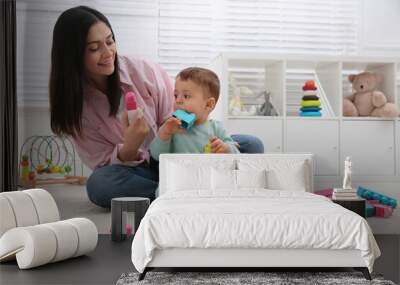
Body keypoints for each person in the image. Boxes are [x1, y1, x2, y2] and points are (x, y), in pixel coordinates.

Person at [49, 6, 264, 208]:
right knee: (99, 185)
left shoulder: (142, 71)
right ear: (73, 56)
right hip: (147, 171)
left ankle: (182, 189)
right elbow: (105, 166)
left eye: (110, 41)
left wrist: (219, 146)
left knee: (252, 144)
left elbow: (185, 115)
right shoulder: (77, 109)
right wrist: (130, 146)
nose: (108, 53)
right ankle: (186, 189)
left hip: (188, 150)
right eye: (94, 48)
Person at [150, 67, 239, 160]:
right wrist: (164, 133)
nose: (178, 101)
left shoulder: (216, 128)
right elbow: (156, 156)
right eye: (176, 95)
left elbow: (237, 155)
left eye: (186, 96)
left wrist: (227, 149)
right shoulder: (172, 128)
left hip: (210, 173)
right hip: (181, 173)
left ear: (208, 104)